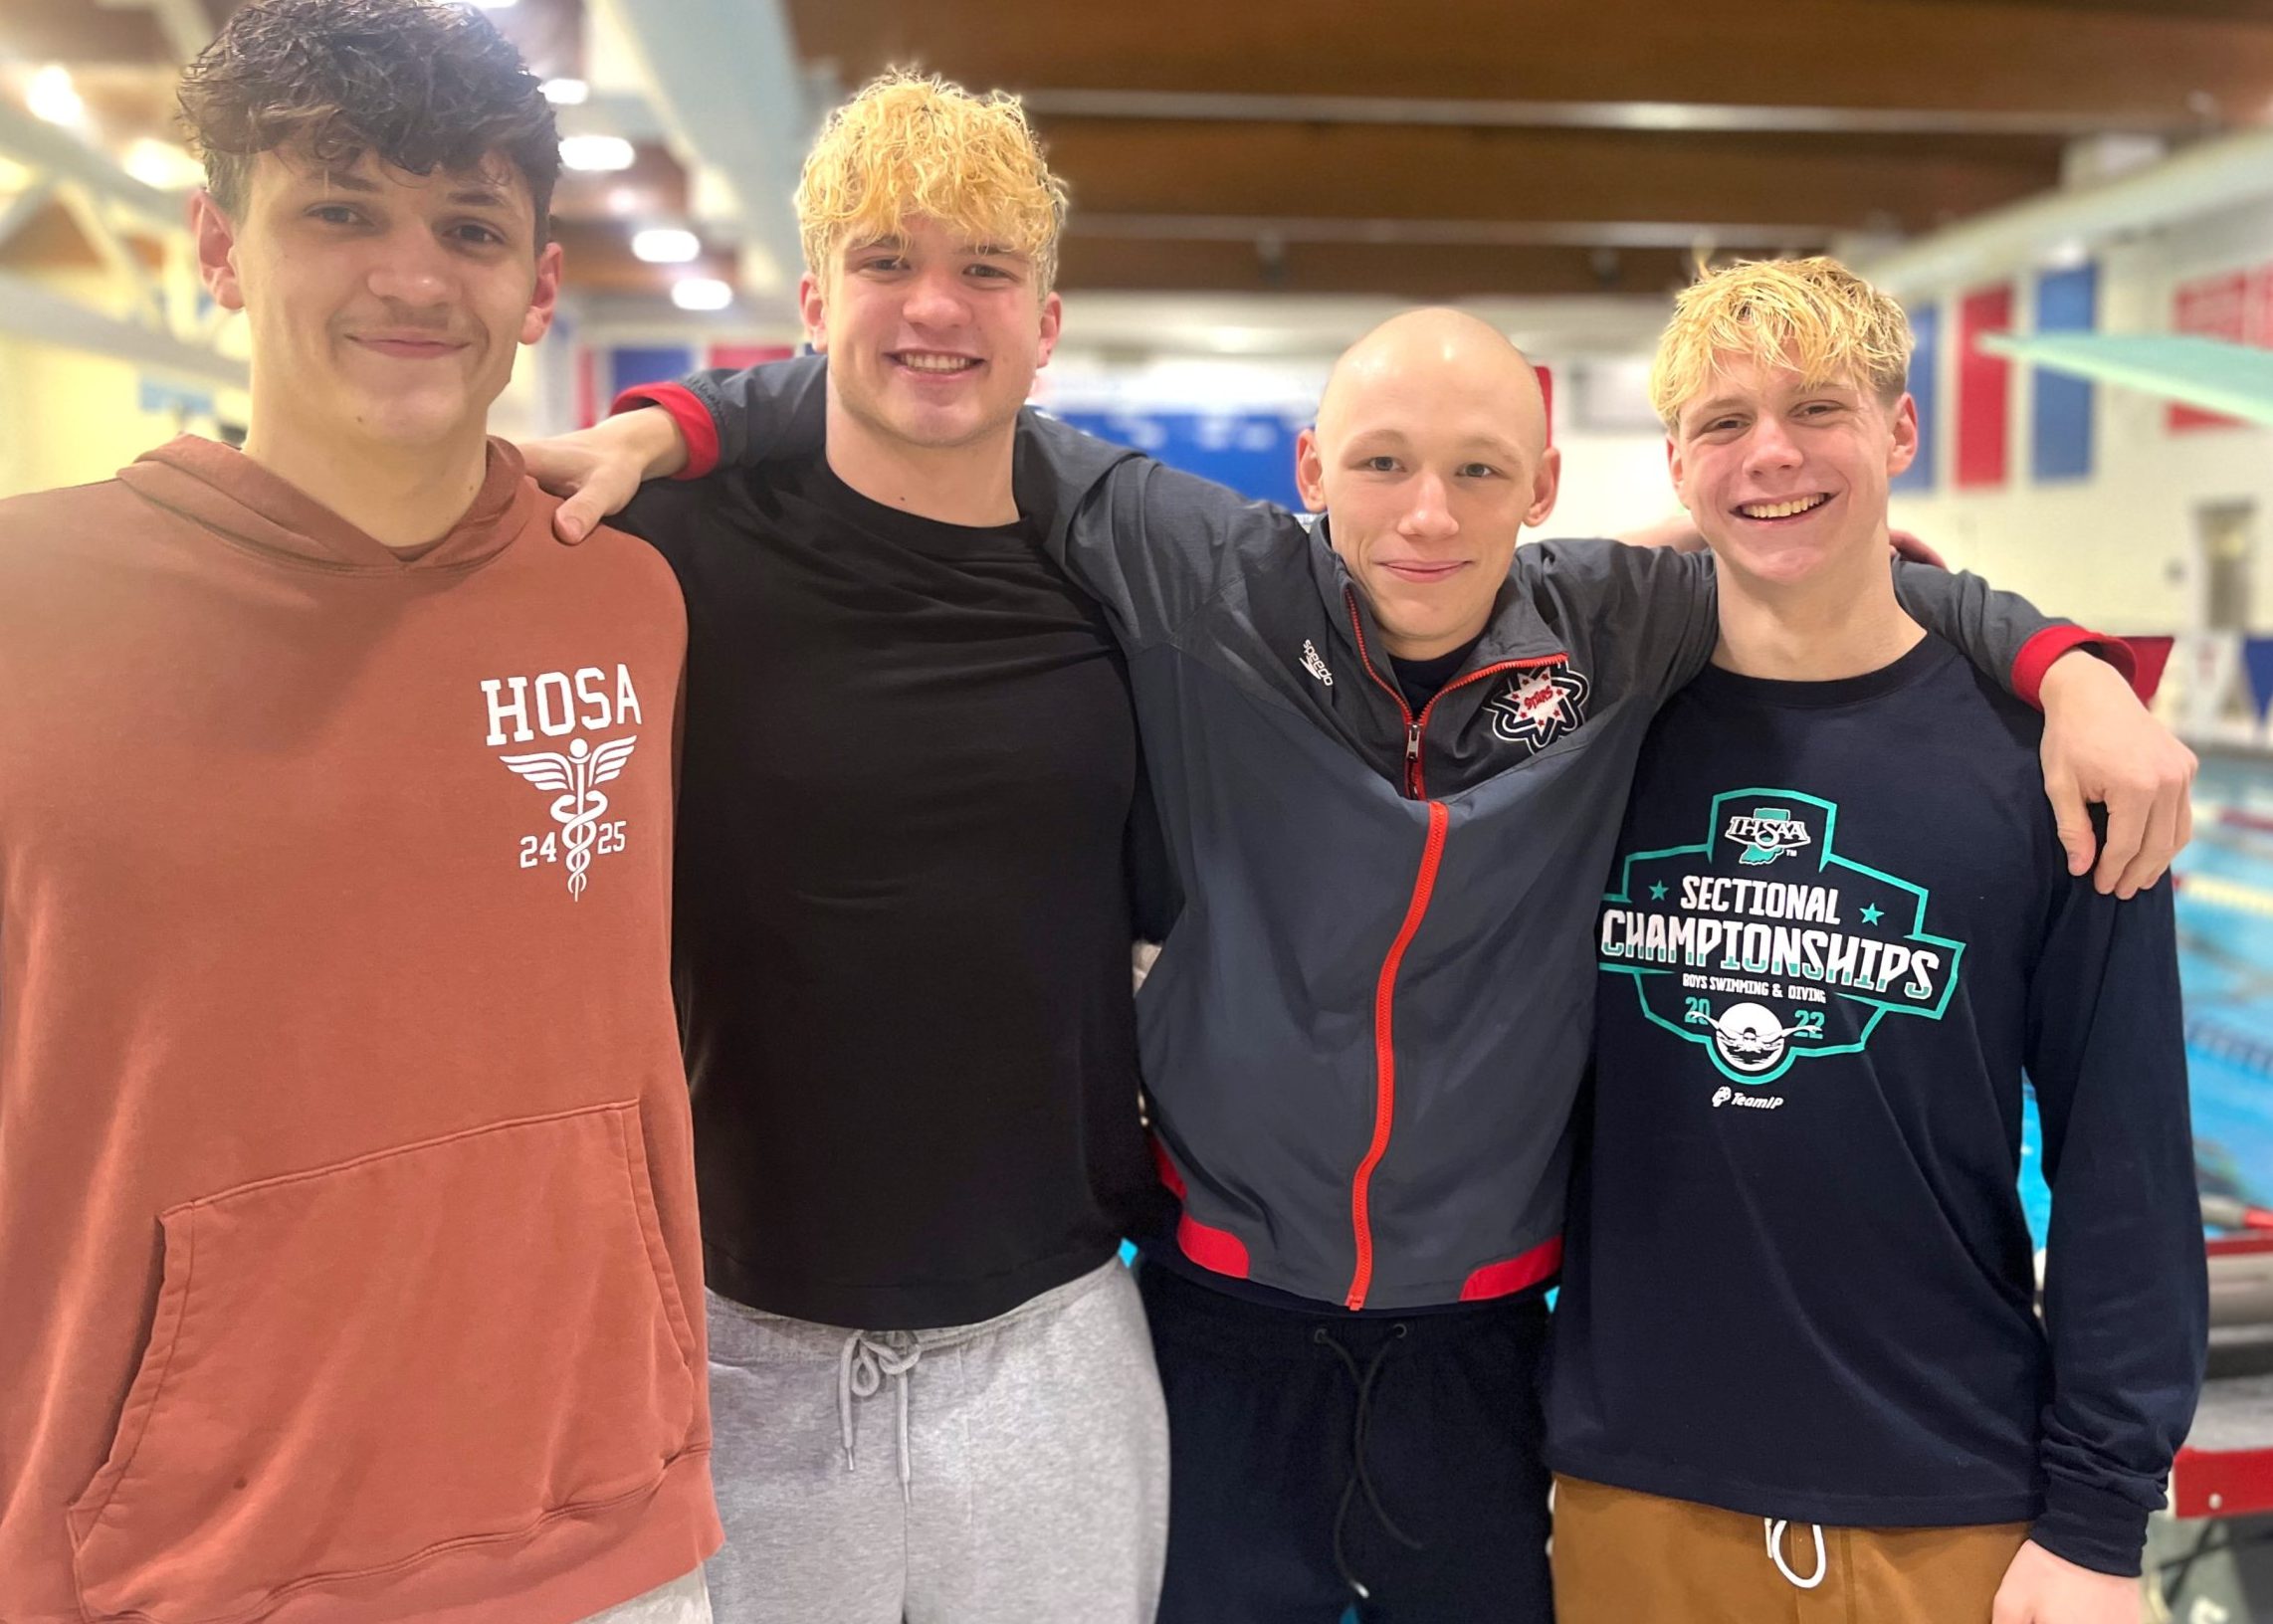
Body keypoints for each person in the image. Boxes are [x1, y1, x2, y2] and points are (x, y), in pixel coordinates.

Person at [529, 74, 2192, 1624]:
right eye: (1383, 466)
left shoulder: (1616, 629)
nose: (1428, 514)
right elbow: (931, 389)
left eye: (1479, 472)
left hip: (1487, 1341)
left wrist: (2063, 668)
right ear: (1313, 469)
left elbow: (1867, 577)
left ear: (1546, 483)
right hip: (1218, 1312)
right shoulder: (1208, 578)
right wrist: (675, 428)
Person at [0, 5, 720, 1622]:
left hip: (603, 1521)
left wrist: (693, 423)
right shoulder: (21, 605)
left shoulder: (625, 606)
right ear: (220, 245)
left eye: (469, 228)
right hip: (175, 1567)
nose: (412, 277)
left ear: (538, 287)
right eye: (339, 209)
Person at [1546, 257, 2207, 1624]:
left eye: (1818, 409)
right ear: (1677, 464)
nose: (1772, 454)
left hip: (1952, 1503)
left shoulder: (2056, 770)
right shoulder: (1596, 744)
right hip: (1631, 1493)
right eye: (1724, 424)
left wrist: (2099, 1523)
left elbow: (2123, 1163)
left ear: (1901, 430)